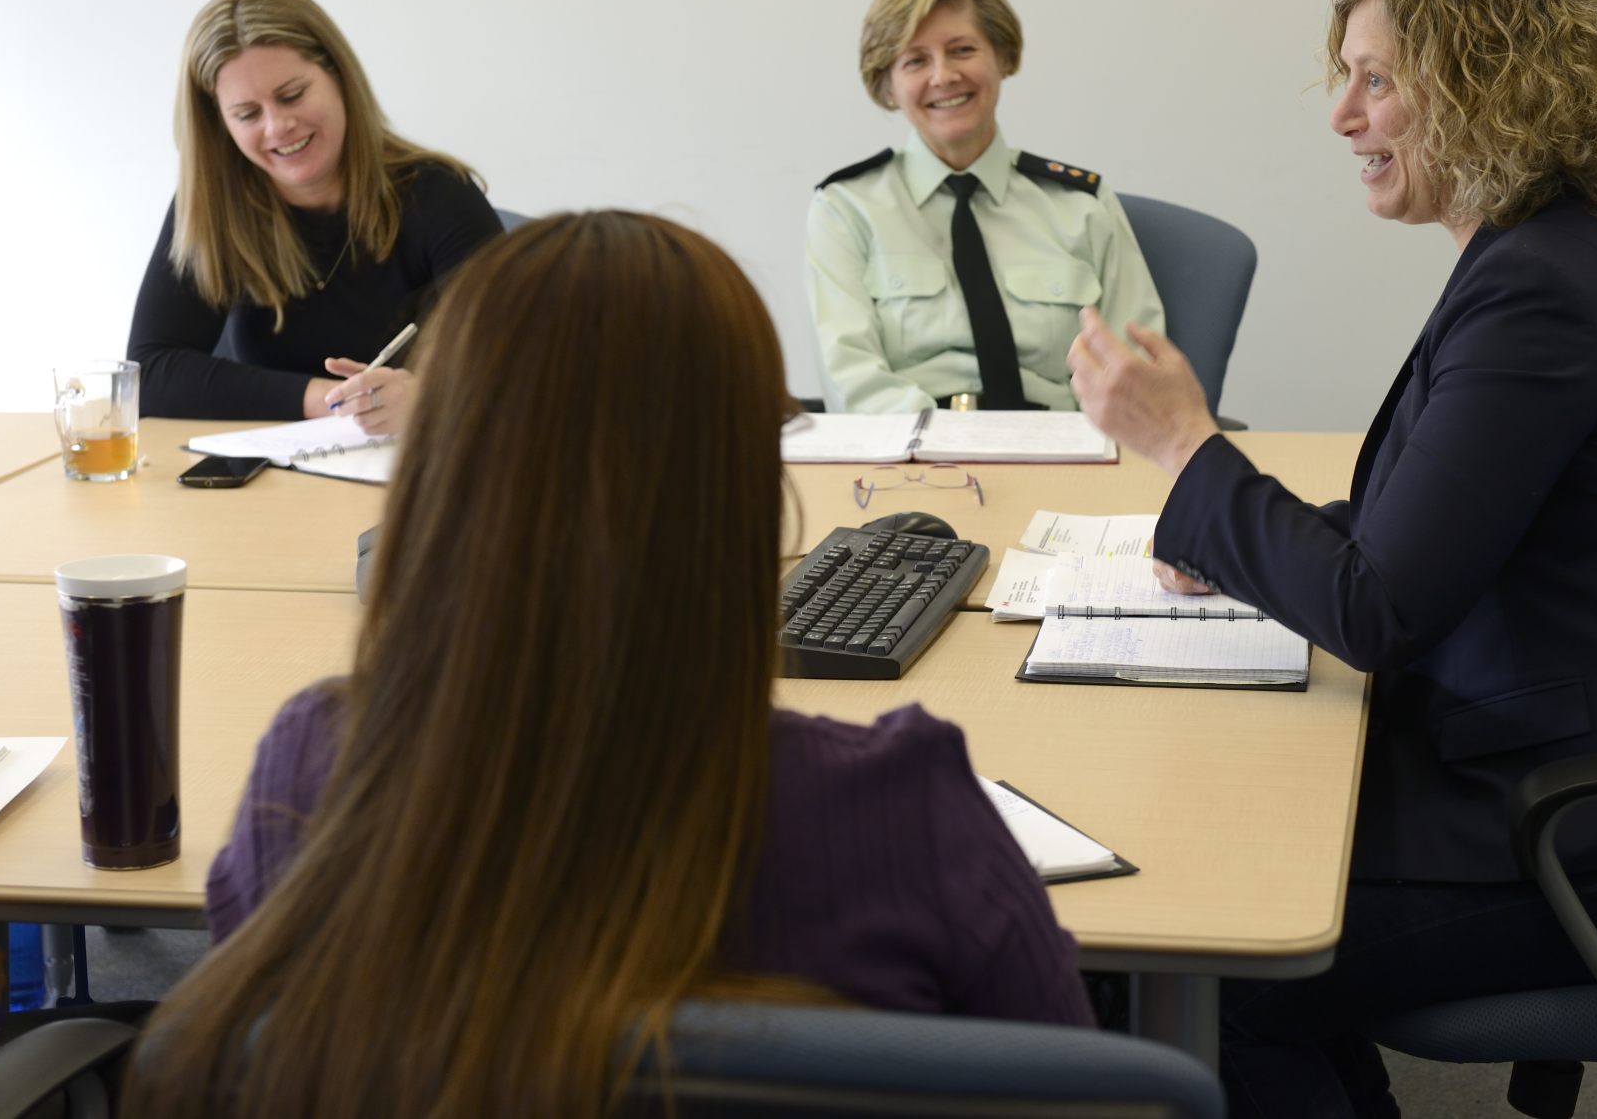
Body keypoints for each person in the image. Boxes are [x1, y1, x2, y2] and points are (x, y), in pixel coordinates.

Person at [1068, 0, 1597, 1117]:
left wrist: (1187, 452)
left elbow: (1378, 608)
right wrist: (1229, 534)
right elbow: (1430, 526)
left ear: (1488, 92)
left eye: (1374, 82)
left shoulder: (1539, 291)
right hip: (1575, 760)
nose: (1340, 116)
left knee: (1201, 967)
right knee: (1228, 887)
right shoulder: (1540, 255)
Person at [121, 212, 1091, 1117]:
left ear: (441, 479)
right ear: (738, 492)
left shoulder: (308, 774)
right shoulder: (903, 818)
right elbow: (1091, 1093)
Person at [126, 0, 502, 429]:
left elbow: (520, 361)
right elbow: (150, 375)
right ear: (220, 125)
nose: (277, 126)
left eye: (292, 95)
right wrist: (329, 400)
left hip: (418, 459)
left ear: (339, 78)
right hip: (280, 464)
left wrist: (430, 397)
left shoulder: (440, 195)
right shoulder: (212, 207)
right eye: (247, 114)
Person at [806, 0, 1165, 413]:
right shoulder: (846, 209)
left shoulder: (1082, 205)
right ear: (888, 86)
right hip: (912, 448)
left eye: (962, 50)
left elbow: (1135, 371)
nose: (943, 76)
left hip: (1063, 445)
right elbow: (852, 381)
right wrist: (944, 443)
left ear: (1003, 57)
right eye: (915, 60)